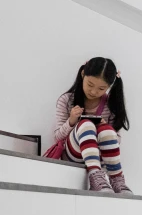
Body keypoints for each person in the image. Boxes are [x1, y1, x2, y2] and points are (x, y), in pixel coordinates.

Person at [53, 57, 132, 194]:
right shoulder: (66, 100)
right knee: (86, 125)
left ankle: (116, 179)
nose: (94, 92)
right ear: (83, 74)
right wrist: (71, 121)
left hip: (100, 156)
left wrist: (106, 128)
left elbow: (117, 140)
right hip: (73, 154)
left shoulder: (111, 104)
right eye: (90, 84)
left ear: (109, 87)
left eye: (101, 88)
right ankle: (95, 175)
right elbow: (57, 137)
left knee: (106, 129)